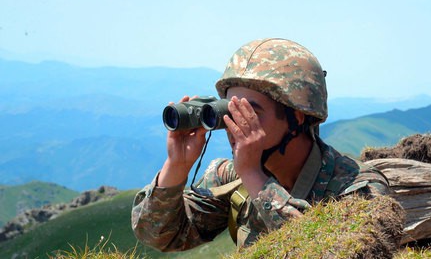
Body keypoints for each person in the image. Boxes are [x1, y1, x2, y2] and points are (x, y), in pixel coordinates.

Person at [131, 38, 390, 251]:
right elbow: (160, 236)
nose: (236, 125)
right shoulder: (229, 178)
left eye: (250, 113)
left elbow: (325, 250)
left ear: (296, 117)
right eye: (230, 111)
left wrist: (254, 176)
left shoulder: (358, 188)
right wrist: (176, 166)